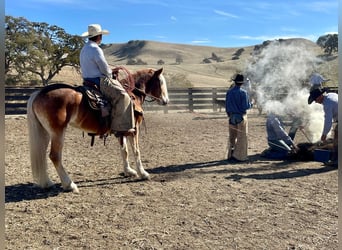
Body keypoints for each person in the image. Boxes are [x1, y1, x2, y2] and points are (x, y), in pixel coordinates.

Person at [80, 24, 135, 137]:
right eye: (101, 35)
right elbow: (105, 70)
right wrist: (111, 72)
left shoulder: (84, 49)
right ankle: (120, 127)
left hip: (87, 81)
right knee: (123, 96)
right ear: (99, 36)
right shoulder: (96, 49)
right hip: (99, 81)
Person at [225, 74, 253, 162]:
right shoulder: (243, 93)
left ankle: (230, 154)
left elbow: (227, 105)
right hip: (241, 116)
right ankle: (239, 156)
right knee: (242, 137)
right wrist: (252, 103)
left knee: (232, 137)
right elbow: (245, 106)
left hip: (231, 116)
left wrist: (229, 115)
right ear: (242, 83)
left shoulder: (229, 92)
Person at [308, 87, 338, 165]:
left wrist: (324, 134)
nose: (316, 102)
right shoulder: (331, 95)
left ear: (320, 96)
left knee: (337, 140)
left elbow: (328, 121)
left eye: (315, 99)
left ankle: (336, 161)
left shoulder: (327, 104)